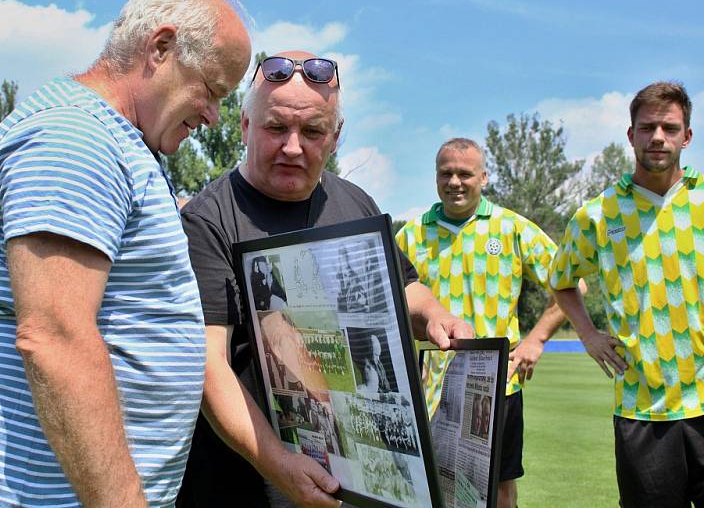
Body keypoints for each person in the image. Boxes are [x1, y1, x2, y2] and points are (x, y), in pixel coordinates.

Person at [0, 0, 251, 507]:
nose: (214, 115)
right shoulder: (76, 138)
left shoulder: (116, 141)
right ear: (160, 48)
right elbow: (56, 338)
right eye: (211, 90)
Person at [177, 51, 474, 507]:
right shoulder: (208, 219)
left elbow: (402, 290)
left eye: (312, 131)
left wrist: (435, 315)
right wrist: (279, 463)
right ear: (244, 127)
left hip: (354, 486)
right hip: (241, 488)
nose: (293, 147)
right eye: (276, 127)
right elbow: (207, 364)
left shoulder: (356, 204)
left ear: (335, 138)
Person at [395, 137, 577, 508]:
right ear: (435, 177)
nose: (455, 182)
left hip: (496, 386)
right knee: (428, 489)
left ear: (484, 177)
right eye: (446, 173)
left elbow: (571, 282)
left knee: (500, 490)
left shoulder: (512, 228)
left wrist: (535, 340)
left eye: (465, 173)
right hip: (430, 389)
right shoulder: (411, 235)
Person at [550, 81, 701, 508]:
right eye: (647, 126)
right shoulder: (598, 214)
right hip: (642, 405)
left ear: (687, 136)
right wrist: (588, 334)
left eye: (670, 128)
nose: (658, 137)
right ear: (630, 134)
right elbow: (561, 279)